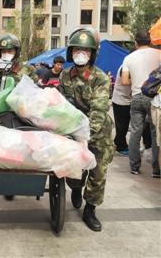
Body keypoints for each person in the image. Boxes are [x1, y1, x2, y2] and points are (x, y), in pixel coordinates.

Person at [59, 27, 114, 232]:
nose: (80, 54)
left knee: (97, 173)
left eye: (86, 50)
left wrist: (86, 135)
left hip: (98, 133)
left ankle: (90, 209)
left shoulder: (100, 78)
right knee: (74, 170)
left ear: (92, 54)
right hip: (73, 129)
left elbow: (98, 110)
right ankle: (75, 188)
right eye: (76, 50)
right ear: (70, 52)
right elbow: (62, 104)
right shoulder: (66, 75)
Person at [121, 30, 161, 178]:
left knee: (135, 132)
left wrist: (138, 82)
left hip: (137, 96)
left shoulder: (128, 58)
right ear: (150, 40)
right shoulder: (159, 54)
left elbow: (124, 81)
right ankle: (156, 169)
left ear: (136, 42)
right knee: (156, 132)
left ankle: (135, 167)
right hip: (155, 98)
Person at [112, 66, 152, 156]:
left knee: (142, 125)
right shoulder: (126, 67)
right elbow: (126, 81)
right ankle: (120, 146)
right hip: (121, 100)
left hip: (130, 99)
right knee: (122, 126)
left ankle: (147, 145)